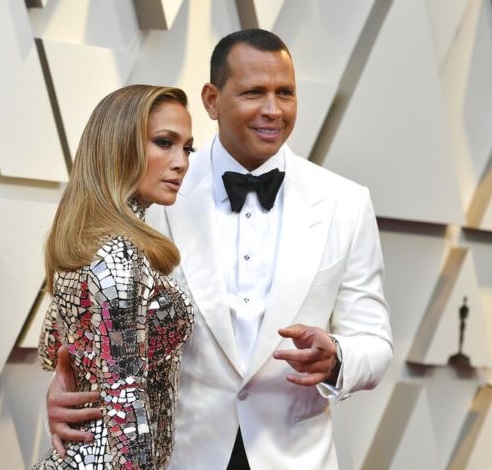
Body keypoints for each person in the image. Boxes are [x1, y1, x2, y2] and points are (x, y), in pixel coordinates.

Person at [47, 29, 393, 469]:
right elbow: (93, 326)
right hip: (178, 457)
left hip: (295, 456)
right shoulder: (155, 189)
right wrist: (63, 394)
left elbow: (376, 342)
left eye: (285, 93)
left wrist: (338, 358)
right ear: (212, 100)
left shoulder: (346, 201)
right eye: (254, 92)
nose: (273, 109)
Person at [35, 84, 195, 468]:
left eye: (187, 148)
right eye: (164, 142)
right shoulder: (119, 252)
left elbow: (52, 347)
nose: (181, 162)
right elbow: (126, 396)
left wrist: (73, 380)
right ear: (118, 145)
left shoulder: (91, 241)